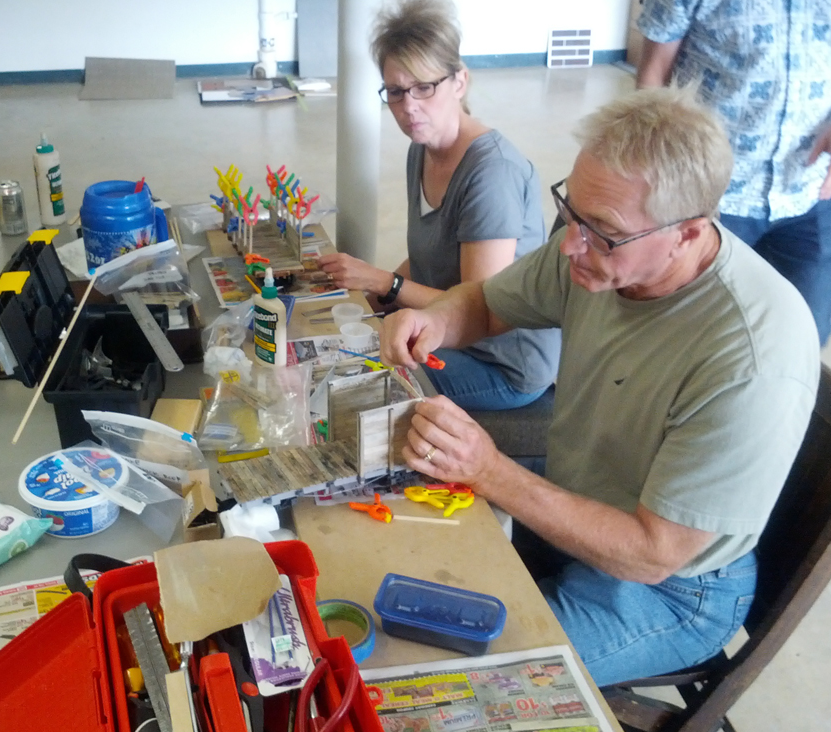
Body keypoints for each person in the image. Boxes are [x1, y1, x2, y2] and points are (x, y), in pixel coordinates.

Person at [379, 87, 820, 686]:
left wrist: (488, 471)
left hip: (674, 589)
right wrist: (435, 320)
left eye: (603, 231)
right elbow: (486, 303)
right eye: (571, 211)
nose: (569, 246)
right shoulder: (592, 248)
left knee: (453, 683)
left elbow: (653, 552)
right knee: (394, 596)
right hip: (572, 510)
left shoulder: (750, 352)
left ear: (688, 234)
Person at [319, 0, 559, 411]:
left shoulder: (492, 172)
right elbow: (430, 255)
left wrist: (385, 284)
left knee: (344, 386)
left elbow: (483, 309)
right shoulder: (423, 148)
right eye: (395, 91)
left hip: (501, 364)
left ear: (459, 82)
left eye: (424, 87)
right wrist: (363, 304)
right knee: (332, 353)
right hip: (443, 333)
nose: (409, 106)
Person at [636, 0, 831, 345]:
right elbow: (653, 74)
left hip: (809, 191)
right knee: (692, 339)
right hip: (714, 197)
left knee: (801, 340)